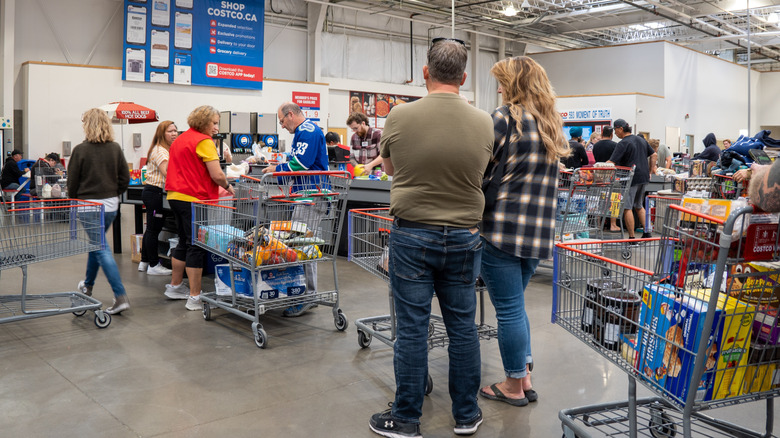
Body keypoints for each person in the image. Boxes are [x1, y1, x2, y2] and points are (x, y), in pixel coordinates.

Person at [368, 38, 493, 438]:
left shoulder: (400, 116)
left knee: (412, 328)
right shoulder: (483, 120)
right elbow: (480, 171)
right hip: (464, 236)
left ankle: (405, 418)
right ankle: (467, 414)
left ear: (426, 73)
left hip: (412, 235)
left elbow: (388, 166)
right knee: (462, 328)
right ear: (464, 77)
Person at [479, 56, 570, 410]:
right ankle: (525, 376)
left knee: (508, 309)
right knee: (516, 305)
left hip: (501, 229)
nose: (499, 88)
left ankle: (514, 384)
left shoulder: (503, 119)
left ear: (514, 84)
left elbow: (481, 170)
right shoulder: (550, 124)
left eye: (502, 82)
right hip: (538, 234)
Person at [164, 106, 235, 311]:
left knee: (183, 242)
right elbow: (217, 175)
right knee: (196, 244)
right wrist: (230, 188)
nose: (216, 127)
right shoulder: (204, 142)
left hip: (175, 196)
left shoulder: (181, 139)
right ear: (203, 122)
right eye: (213, 123)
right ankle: (195, 297)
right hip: (193, 198)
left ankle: (175, 286)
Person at [263, 102, 329, 317]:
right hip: (306, 195)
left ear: (290, 115)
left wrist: (276, 170)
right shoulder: (303, 131)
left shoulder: (308, 131)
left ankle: (308, 295)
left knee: (304, 246)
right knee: (303, 245)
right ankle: (307, 292)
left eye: (282, 121)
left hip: (311, 195)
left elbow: (301, 164)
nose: (282, 126)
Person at [68, 108, 131, 315]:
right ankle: (87, 286)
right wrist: (113, 193)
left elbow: (72, 183)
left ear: (87, 125)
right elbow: (125, 179)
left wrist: (75, 199)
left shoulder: (79, 150)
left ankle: (120, 295)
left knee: (101, 248)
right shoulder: (115, 148)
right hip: (111, 205)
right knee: (97, 245)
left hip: (88, 206)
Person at [607, 119, 657, 240]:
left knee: (627, 208)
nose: (615, 133)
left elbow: (611, 162)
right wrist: (650, 170)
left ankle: (632, 237)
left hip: (630, 178)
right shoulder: (641, 139)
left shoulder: (623, 143)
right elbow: (654, 155)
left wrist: (597, 168)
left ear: (621, 129)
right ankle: (647, 233)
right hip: (644, 177)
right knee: (639, 205)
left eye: (615, 130)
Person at [139, 120, 178, 276]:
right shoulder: (161, 151)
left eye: (175, 130)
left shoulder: (162, 149)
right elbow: (168, 173)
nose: (174, 134)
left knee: (150, 229)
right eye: (170, 131)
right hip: (155, 193)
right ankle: (154, 265)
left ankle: (144, 261)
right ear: (162, 134)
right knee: (154, 229)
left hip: (153, 193)